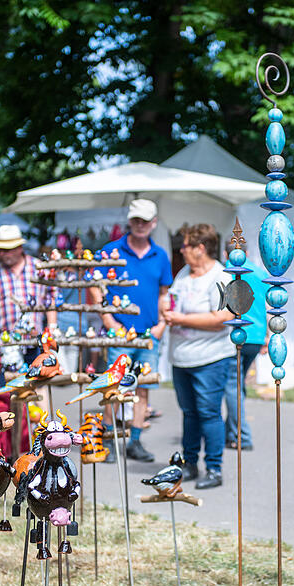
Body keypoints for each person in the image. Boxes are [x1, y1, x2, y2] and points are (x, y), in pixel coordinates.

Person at [96, 199, 173, 464]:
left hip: (149, 334)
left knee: (142, 389)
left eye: (145, 220)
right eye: (136, 220)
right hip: (120, 332)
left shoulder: (160, 255)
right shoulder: (111, 251)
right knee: (113, 387)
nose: (140, 225)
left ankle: (136, 441)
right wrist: (108, 319)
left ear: (153, 223)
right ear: (129, 221)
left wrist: (162, 326)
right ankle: (107, 441)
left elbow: (165, 293)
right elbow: (94, 284)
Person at [164, 223, 234, 489]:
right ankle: (189, 463)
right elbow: (172, 300)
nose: (181, 251)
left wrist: (181, 318)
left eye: (185, 246)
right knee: (189, 413)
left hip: (211, 357)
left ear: (200, 248)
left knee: (209, 413)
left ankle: (214, 468)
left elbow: (223, 317)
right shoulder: (183, 273)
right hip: (181, 356)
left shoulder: (221, 276)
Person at [0, 224, 58, 384]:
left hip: (35, 341)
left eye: (8, 249)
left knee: (40, 387)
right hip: (8, 345)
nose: (3, 254)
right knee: (10, 390)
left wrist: (52, 326)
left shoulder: (38, 268)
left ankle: (43, 410)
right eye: (1, 250)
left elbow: (51, 298)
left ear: (19, 248)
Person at [223, 240, 267, 450]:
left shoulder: (225, 272)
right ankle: (229, 432)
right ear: (247, 252)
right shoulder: (258, 272)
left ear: (225, 253)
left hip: (237, 335)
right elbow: (266, 305)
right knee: (238, 385)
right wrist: (266, 337)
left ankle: (242, 435)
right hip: (256, 336)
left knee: (233, 386)